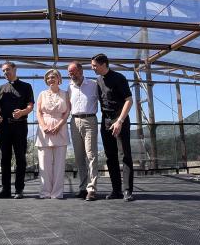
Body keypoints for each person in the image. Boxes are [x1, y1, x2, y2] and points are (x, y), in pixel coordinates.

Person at [91, 53, 135, 201]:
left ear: (104, 64)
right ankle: (116, 190)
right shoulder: (98, 81)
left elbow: (129, 100)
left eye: (95, 66)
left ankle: (127, 190)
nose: (93, 68)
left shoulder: (119, 78)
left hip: (120, 119)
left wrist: (120, 121)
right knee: (111, 157)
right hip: (106, 121)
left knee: (125, 155)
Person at [0, 61, 34, 199]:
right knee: (5, 159)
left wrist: (22, 112)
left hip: (20, 126)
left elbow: (30, 106)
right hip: (4, 127)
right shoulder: (0, 88)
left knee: (20, 158)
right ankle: (6, 190)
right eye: (3, 71)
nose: (5, 72)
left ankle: (19, 189)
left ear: (15, 69)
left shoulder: (26, 86)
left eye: (7, 69)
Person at [67, 61, 99, 201]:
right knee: (79, 157)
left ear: (80, 71)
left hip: (89, 120)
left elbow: (103, 100)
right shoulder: (69, 87)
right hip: (74, 122)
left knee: (91, 155)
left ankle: (91, 189)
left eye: (73, 72)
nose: (71, 75)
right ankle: (82, 188)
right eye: (69, 72)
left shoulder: (93, 84)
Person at [35, 69, 70, 199]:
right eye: (48, 78)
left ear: (59, 79)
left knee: (59, 164)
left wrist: (59, 126)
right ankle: (45, 192)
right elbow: (38, 112)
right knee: (44, 163)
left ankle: (57, 193)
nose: (51, 79)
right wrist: (43, 126)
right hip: (44, 130)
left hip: (60, 129)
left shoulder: (65, 94)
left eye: (53, 77)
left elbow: (67, 112)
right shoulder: (42, 94)